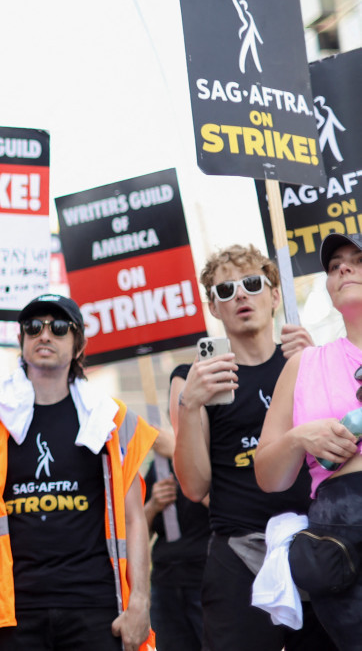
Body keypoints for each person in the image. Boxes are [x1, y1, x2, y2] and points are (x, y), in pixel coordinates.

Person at [0, 294, 156, 651]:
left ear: (78, 346)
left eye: (59, 327)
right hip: (10, 609)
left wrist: (140, 600)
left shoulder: (110, 419)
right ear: (21, 340)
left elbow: (133, 517)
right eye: (33, 327)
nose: (44, 334)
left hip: (95, 606)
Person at [170, 244, 332, 650]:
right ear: (214, 308)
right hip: (240, 554)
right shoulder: (201, 379)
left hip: (316, 545)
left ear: (275, 295)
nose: (240, 295)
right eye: (225, 291)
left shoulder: (309, 362)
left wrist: (316, 369)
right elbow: (193, 487)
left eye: (252, 283)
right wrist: (189, 405)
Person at [256, 232, 362, 648]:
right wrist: (301, 437)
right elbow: (268, 476)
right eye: (334, 265)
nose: (343, 268)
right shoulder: (305, 365)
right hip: (341, 537)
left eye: (357, 260)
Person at [143, 380, 208, 651]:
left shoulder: (215, 452)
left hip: (205, 577)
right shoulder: (160, 464)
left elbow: (229, 508)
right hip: (166, 581)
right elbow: (138, 530)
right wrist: (153, 506)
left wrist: (176, 451)